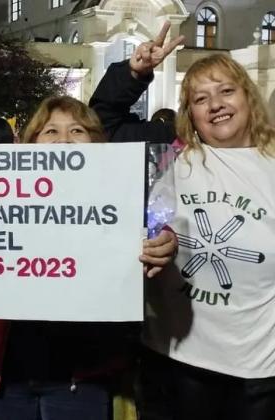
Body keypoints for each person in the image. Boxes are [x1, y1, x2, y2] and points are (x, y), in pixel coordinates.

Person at [0, 95, 178, 420]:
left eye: (77, 130)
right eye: (51, 131)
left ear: (96, 142)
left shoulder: (120, 202)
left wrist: (164, 242)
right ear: (31, 143)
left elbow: (154, 230)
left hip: (82, 377)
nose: (64, 140)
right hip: (6, 376)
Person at [140, 54, 275, 420]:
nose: (215, 105)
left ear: (247, 96)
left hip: (256, 370)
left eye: (226, 91)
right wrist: (158, 240)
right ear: (191, 115)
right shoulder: (175, 162)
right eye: (201, 99)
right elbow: (154, 224)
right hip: (174, 360)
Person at [88, 22, 184, 143]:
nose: (214, 106)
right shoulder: (165, 136)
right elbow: (104, 120)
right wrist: (134, 73)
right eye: (202, 98)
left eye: (217, 93)